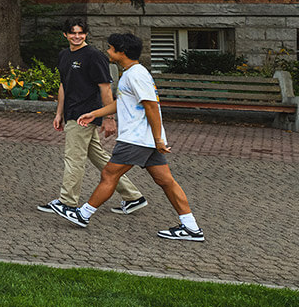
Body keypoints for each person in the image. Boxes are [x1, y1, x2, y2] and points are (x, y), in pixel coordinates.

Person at [51, 33, 206, 242]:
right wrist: (96, 114)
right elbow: (123, 102)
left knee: (109, 174)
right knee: (165, 181)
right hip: (145, 139)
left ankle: (83, 214)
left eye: (111, 48)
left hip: (136, 138)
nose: (107, 52)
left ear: (121, 52)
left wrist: (159, 139)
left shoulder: (135, 75)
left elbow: (151, 105)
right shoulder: (132, 73)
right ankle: (191, 227)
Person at [41, 18, 146, 216]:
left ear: (86, 34)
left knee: (74, 158)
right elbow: (64, 85)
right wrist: (59, 113)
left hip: (87, 114)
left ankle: (67, 202)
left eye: (81, 33)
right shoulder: (63, 55)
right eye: (73, 33)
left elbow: (105, 88)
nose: (77, 36)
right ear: (65, 34)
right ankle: (133, 197)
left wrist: (108, 118)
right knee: (98, 156)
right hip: (71, 112)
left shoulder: (94, 56)